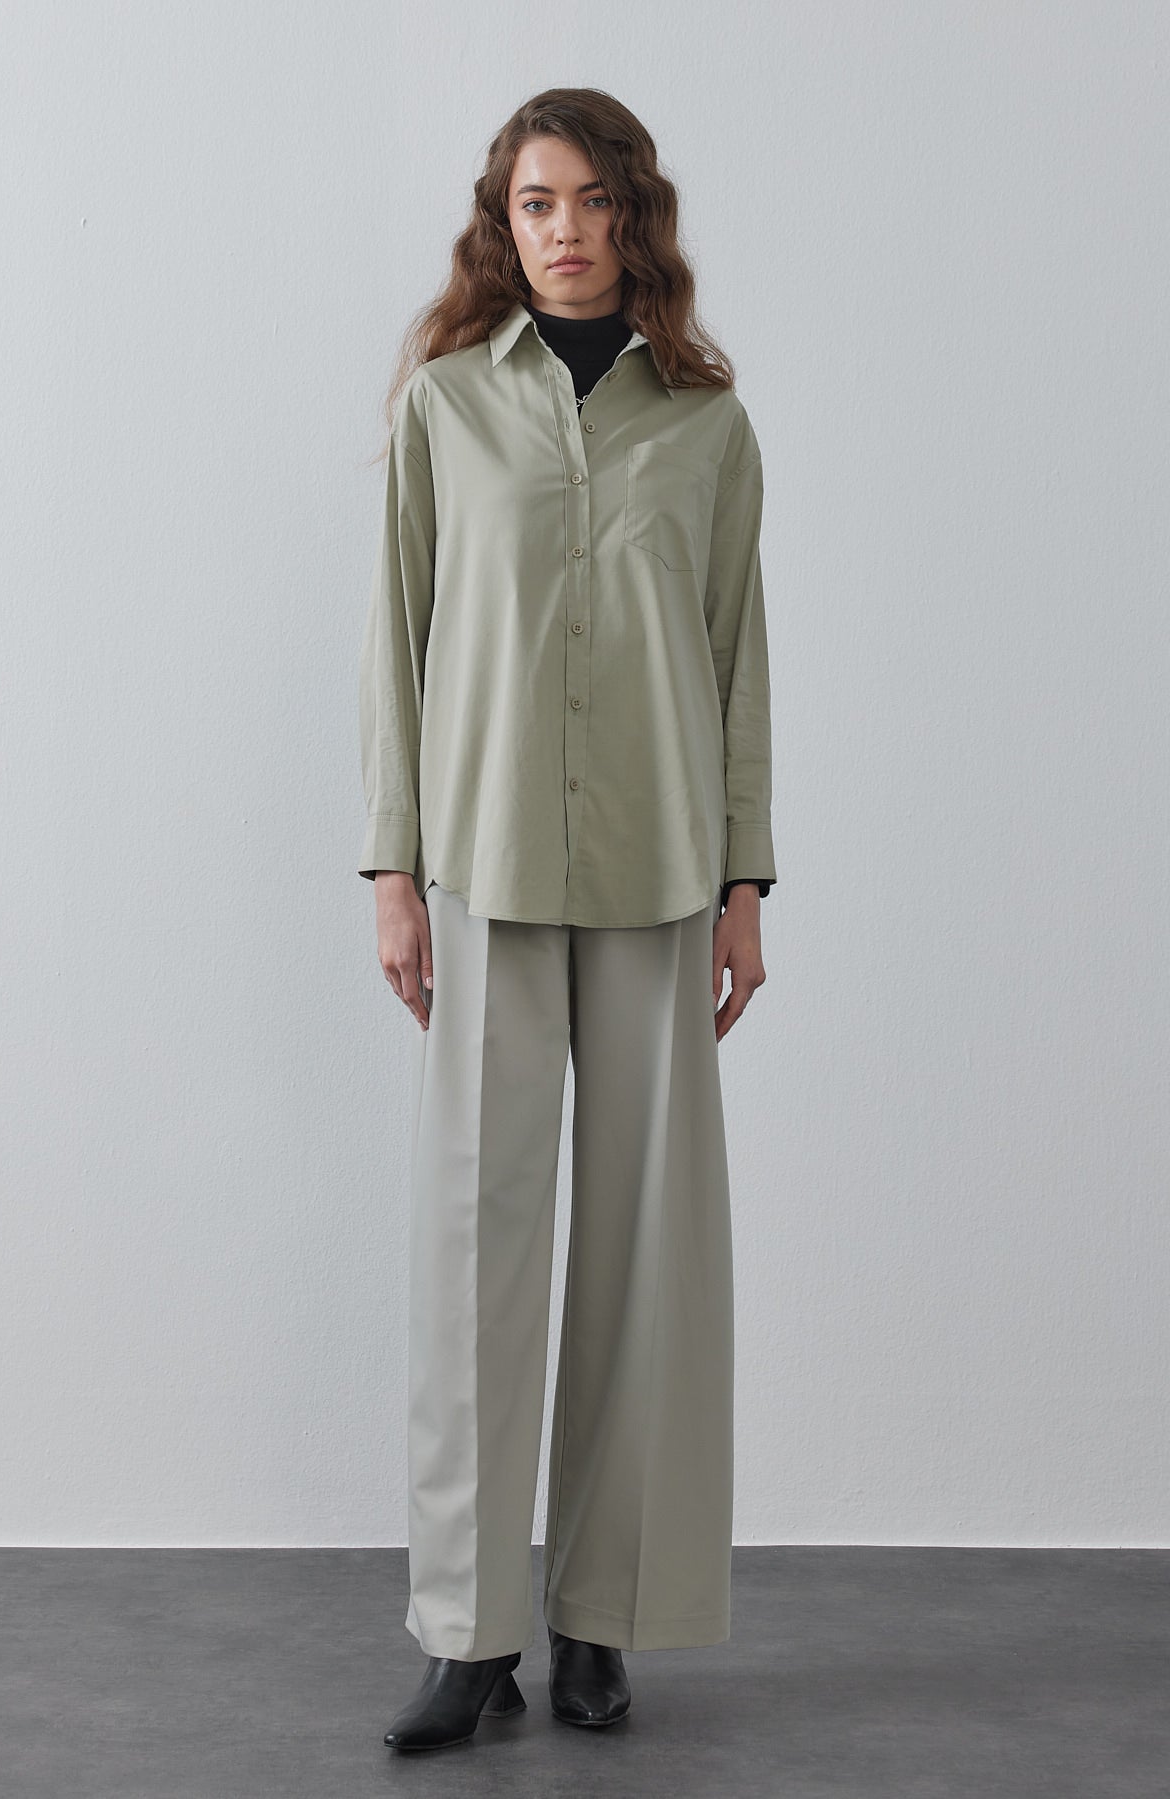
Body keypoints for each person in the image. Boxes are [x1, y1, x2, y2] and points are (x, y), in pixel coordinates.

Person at [358, 87, 777, 1754]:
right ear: (504, 222)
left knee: (643, 1257)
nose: (568, 229)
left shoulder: (709, 426)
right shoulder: (447, 407)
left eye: (596, 199)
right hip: (488, 865)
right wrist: (393, 870)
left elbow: (738, 661)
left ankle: (604, 1620)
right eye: (539, 202)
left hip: (664, 869)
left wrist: (747, 881)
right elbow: (395, 644)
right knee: (479, 1249)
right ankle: (469, 1636)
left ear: (634, 217)